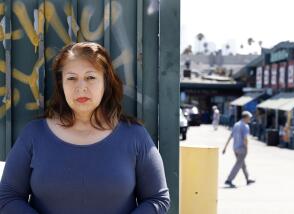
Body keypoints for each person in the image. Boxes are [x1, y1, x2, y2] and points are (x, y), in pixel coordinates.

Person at [0, 42, 170, 213]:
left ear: (106, 81)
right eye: (71, 78)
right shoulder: (34, 134)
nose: (81, 87)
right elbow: (8, 197)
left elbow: (157, 199)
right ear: (61, 84)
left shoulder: (135, 136)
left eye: (90, 77)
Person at [222, 111, 255, 188]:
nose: (250, 119)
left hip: (235, 148)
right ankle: (229, 180)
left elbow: (231, 136)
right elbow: (245, 138)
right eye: (249, 118)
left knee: (242, 164)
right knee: (238, 164)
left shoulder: (236, 124)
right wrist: (247, 148)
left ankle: (248, 178)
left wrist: (225, 147)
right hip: (242, 148)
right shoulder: (245, 126)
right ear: (245, 117)